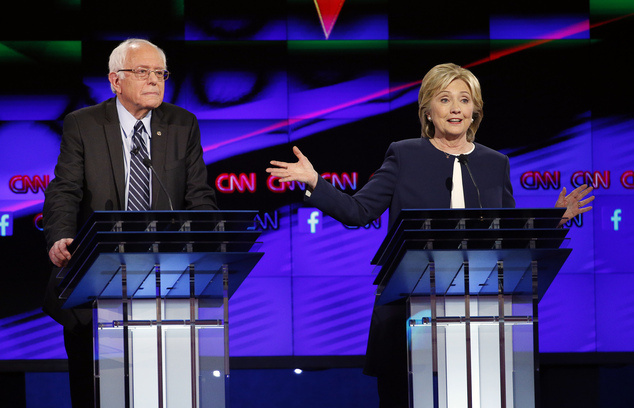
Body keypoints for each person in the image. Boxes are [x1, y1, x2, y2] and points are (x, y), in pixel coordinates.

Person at [267, 62, 594, 407]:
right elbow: (358, 211)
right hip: (409, 310)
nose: (456, 108)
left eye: (465, 100)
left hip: (480, 311)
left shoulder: (495, 163)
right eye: (445, 99)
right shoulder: (405, 154)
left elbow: (507, 238)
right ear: (428, 111)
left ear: (475, 111)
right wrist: (315, 183)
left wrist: (553, 221)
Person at [43, 38, 218, 407]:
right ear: (115, 80)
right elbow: (65, 190)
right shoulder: (84, 124)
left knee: (162, 394)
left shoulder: (182, 124)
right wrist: (60, 237)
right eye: (143, 72)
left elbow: (199, 196)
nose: (155, 80)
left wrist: (203, 247)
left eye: (160, 73)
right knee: (97, 396)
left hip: (165, 282)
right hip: (95, 280)